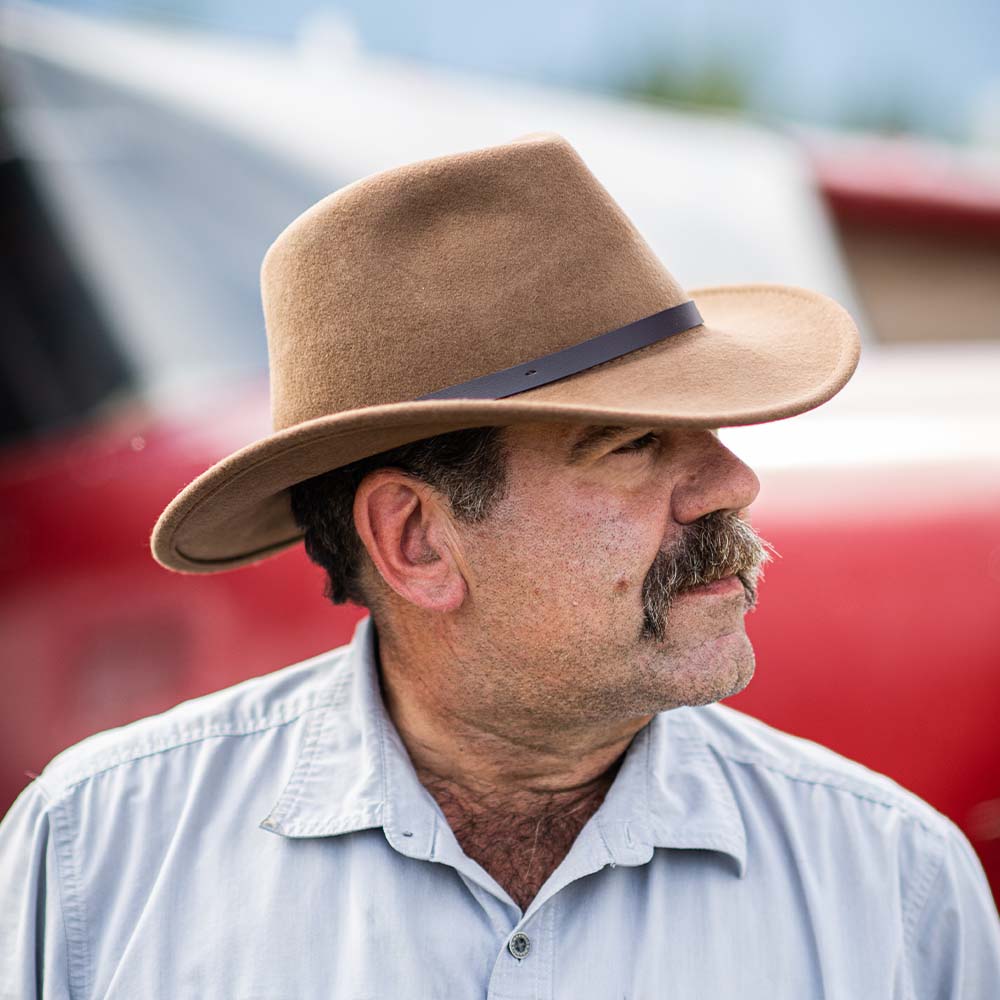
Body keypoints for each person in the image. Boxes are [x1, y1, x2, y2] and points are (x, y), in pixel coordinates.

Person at [1, 132, 998, 998]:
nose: (731, 480)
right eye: (632, 444)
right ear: (417, 541)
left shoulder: (897, 882)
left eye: (708, 430)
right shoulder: (96, 853)